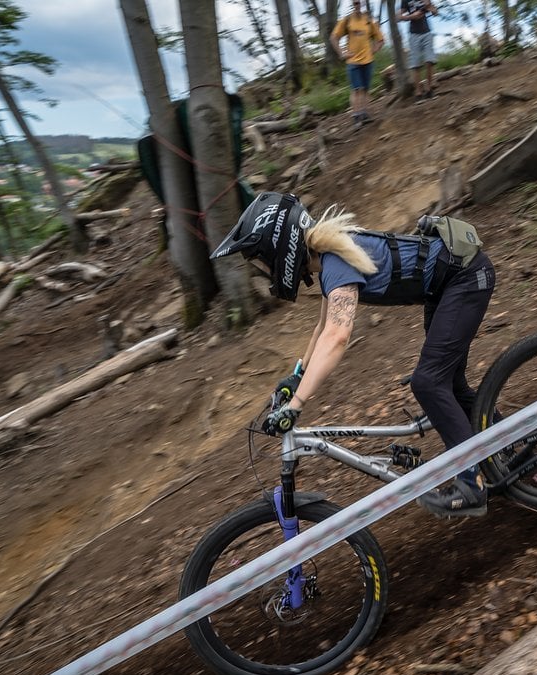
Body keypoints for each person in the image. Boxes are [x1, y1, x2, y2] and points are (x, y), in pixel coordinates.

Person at [212, 192, 496, 518]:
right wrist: (298, 374)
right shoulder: (329, 257)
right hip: (452, 283)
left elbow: (337, 336)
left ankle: (472, 484)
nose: (265, 269)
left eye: (263, 259)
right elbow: (322, 328)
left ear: (280, 248)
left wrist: (297, 404)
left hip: (464, 279)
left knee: (429, 383)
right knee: (450, 387)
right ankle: (511, 441)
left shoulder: (334, 262)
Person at [332, 0, 385, 128]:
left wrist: (374, 50)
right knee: (356, 89)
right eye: (354, 3)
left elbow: (381, 39)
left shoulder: (368, 21)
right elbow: (334, 37)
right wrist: (341, 53)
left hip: (368, 61)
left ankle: (365, 114)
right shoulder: (347, 20)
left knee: (366, 89)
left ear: (361, 4)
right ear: (352, 5)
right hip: (353, 61)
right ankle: (356, 116)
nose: (357, 5)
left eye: (358, 3)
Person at [397, 0, 439, 101]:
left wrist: (430, 7)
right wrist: (411, 16)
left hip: (426, 32)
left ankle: (429, 89)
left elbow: (435, 12)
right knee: (415, 64)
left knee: (430, 60)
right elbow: (398, 17)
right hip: (413, 34)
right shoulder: (405, 1)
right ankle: (418, 92)